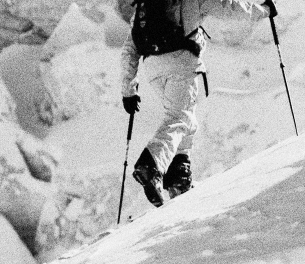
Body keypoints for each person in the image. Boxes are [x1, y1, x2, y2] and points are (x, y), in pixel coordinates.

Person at [118, 0, 277, 206]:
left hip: (153, 69)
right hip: (181, 60)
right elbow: (230, 8)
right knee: (180, 118)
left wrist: (128, 91)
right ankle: (151, 165)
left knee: (186, 119)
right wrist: (264, 10)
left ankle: (179, 178)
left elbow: (129, 49)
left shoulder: (145, 6)